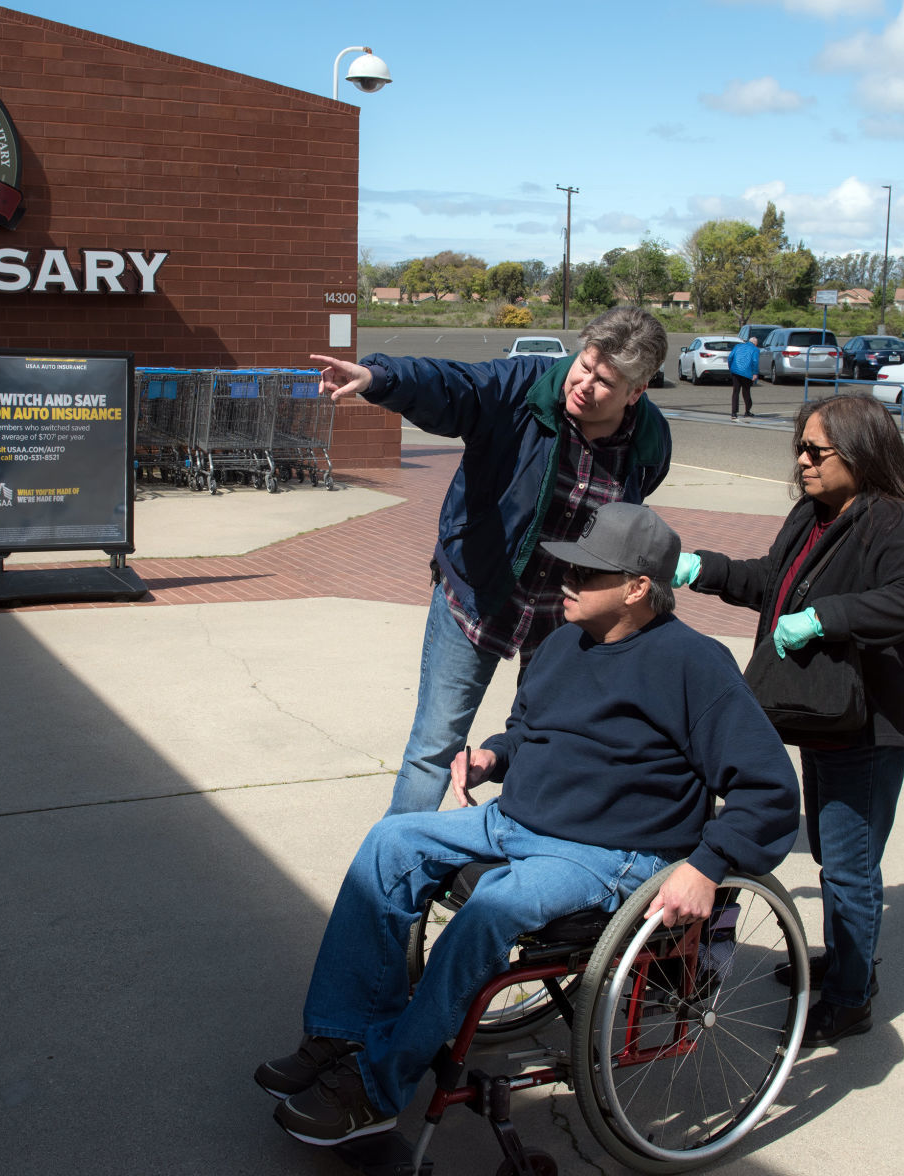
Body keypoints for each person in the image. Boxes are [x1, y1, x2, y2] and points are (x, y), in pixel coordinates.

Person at [255, 504, 798, 1146]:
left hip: (609, 852)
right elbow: (529, 731)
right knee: (389, 843)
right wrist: (493, 755)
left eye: (588, 572)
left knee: (491, 907)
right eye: (569, 563)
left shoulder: (694, 664)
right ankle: (340, 1034)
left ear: (637, 587)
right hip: (516, 820)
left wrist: (708, 866)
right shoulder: (561, 642)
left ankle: (375, 1088)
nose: (566, 578)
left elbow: (770, 789)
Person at [310, 307, 672, 817]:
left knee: (545, 745)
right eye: (584, 365)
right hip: (479, 594)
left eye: (605, 381)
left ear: (637, 391)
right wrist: (377, 378)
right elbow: (454, 385)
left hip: (565, 616)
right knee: (433, 751)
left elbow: (627, 519)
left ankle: (513, 860)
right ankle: (389, 876)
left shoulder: (649, 440)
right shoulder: (522, 387)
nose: (584, 384)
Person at [673, 393, 904, 1047]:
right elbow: (771, 580)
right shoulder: (814, 514)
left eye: (815, 450)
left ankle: (851, 997)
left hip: (870, 725)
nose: (803, 461)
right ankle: (847, 961)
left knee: (849, 867)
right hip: (824, 716)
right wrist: (700, 569)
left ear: (859, 451)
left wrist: (827, 617)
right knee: (831, 853)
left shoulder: (891, 522)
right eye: (800, 447)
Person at [729, 333, 761, 421]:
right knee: (746, 392)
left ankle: (734, 413)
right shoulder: (755, 349)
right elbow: (755, 361)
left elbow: (730, 357)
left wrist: (731, 368)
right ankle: (747, 411)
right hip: (747, 373)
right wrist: (755, 373)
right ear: (755, 343)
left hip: (735, 371)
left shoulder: (738, 346)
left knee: (735, 391)